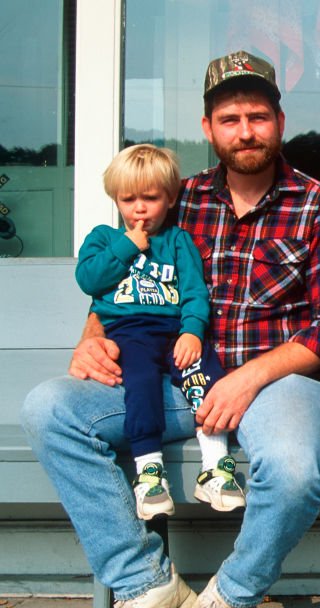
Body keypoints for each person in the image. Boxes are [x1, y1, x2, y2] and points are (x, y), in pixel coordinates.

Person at [20, 50, 320, 608]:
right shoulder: (180, 198)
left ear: (279, 121)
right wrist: (89, 336)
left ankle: (224, 597)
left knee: (291, 471)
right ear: (208, 127)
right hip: (174, 379)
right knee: (50, 409)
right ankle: (144, 583)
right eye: (230, 118)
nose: (246, 130)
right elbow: (121, 280)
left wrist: (248, 377)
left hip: (276, 381)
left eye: (258, 116)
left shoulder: (318, 205)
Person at [76, 143, 243, 520]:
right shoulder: (104, 239)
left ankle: (216, 467)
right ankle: (150, 474)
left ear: (169, 199)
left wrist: (193, 332)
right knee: (141, 381)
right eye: (128, 199)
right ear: (115, 200)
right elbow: (89, 279)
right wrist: (126, 248)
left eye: (150, 198)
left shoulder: (179, 241)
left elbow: (195, 291)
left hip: (175, 331)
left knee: (207, 374)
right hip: (129, 332)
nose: (139, 208)